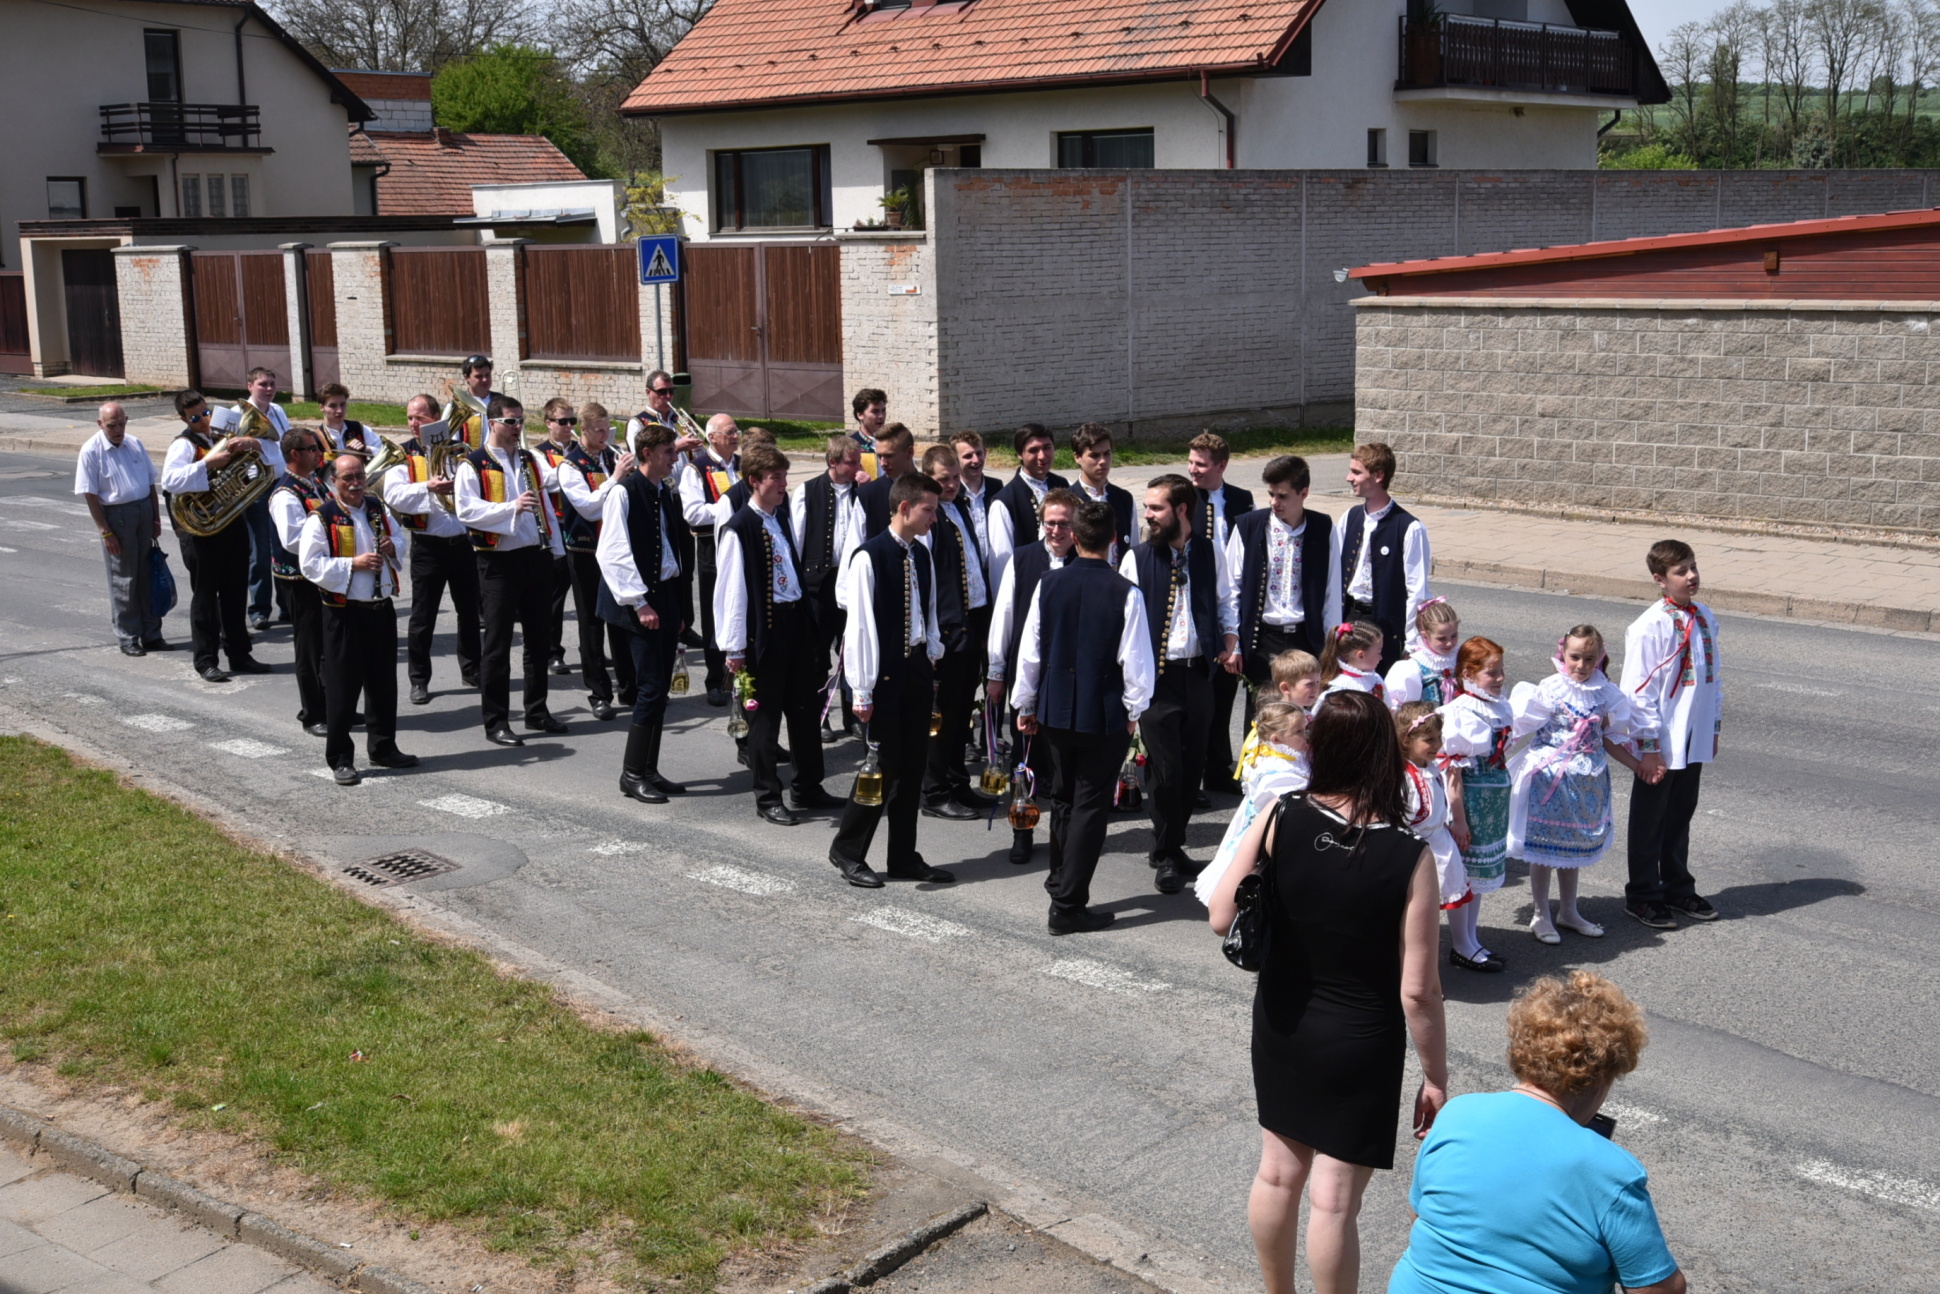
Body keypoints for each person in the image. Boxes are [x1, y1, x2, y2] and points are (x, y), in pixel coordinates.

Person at [1209, 689, 1448, 1294]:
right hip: (1362, 1036)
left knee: (1277, 1176)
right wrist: (1435, 1077)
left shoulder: (1281, 813)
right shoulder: (1409, 855)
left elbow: (1220, 915)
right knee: (1335, 1202)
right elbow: (1419, 991)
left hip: (1283, 1018)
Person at [1388, 972, 1684, 1294]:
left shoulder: (1456, 1114)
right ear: (1605, 1074)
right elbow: (1658, 1290)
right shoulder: (1612, 1173)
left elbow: (1419, 1215)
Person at [1013, 499, 1154, 933]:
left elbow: (1030, 652)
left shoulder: (1049, 583)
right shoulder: (1126, 592)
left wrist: (1026, 703)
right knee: (1090, 805)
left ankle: (1061, 881)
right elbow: (1136, 662)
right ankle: (1068, 904)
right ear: (1114, 539)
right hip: (1103, 713)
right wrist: (1135, 710)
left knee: (1063, 798)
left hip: (1055, 708)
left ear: (1074, 537)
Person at [830, 473, 955, 888]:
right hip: (882, 676)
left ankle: (902, 855)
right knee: (881, 766)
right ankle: (848, 849)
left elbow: (928, 611)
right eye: (929, 510)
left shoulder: (921, 553)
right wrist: (862, 688)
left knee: (913, 766)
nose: (934, 518)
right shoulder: (869, 557)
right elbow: (860, 627)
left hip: (916, 668)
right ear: (905, 507)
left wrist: (932, 652)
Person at [1118, 474, 1240, 895]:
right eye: (1147, 507)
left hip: (1199, 673)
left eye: (1156, 508)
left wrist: (1230, 636)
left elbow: (1225, 599)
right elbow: (1126, 624)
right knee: (1166, 770)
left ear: (1182, 510)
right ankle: (1165, 852)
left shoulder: (1209, 551)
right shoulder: (1137, 558)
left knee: (1191, 769)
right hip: (1159, 679)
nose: (1148, 515)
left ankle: (1173, 846)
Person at [717, 444, 841, 826]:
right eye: (776, 478)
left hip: (795, 626)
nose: (784, 484)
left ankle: (808, 786)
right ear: (755, 481)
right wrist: (735, 648)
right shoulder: (740, 528)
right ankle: (768, 796)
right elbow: (732, 592)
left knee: (804, 711)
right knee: (765, 720)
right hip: (764, 634)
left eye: (785, 476)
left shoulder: (780, 516)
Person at [1510, 625, 1645, 945]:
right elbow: (1519, 726)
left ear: (1599, 658)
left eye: (1589, 659)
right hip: (1549, 779)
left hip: (1587, 780)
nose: (1581, 665)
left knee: (1571, 846)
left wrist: (1637, 765)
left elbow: (1610, 737)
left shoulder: (1605, 692)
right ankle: (1541, 913)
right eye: (1574, 657)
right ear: (1563, 654)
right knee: (1543, 848)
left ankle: (1568, 911)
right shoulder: (1550, 688)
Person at [454, 395, 569, 747]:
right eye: (510, 421)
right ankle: (496, 721)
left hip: (535, 556)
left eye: (520, 421)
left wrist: (556, 549)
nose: (518, 427)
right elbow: (466, 511)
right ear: (493, 423)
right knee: (497, 644)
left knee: (538, 640)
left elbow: (547, 497)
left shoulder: (529, 459)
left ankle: (536, 711)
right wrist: (511, 508)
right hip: (498, 562)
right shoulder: (472, 464)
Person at [297, 451, 416, 786]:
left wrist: (393, 547)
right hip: (344, 613)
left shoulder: (377, 507)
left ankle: (383, 747)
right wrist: (354, 564)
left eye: (360, 476)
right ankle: (340, 758)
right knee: (343, 688)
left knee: (383, 684)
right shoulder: (322, 517)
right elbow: (310, 565)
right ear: (333, 481)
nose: (355, 483)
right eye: (347, 478)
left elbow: (401, 538)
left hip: (380, 608)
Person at [1621, 539, 1723, 930]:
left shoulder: (1704, 616)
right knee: (1650, 818)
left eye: (1693, 567)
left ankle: (1677, 886)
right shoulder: (1649, 627)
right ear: (1659, 579)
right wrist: (1648, 748)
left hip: (1693, 736)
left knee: (1681, 813)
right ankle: (1643, 893)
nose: (1692, 576)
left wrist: (1712, 726)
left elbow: (1713, 678)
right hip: (1661, 739)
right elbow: (1638, 692)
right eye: (1681, 571)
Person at [597, 422, 691, 805]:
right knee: (650, 687)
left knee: (660, 688)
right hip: (639, 600)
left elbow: (670, 549)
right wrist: (641, 602)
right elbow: (612, 552)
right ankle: (632, 774)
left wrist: (678, 608)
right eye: (669, 452)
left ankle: (649, 770)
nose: (675, 458)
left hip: (664, 596)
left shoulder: (663, 491)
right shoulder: (624, 492)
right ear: (648, 453)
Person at [986, 488, 1081, 867]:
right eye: (1050, 523)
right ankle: (1022, 831)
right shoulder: (1024, 558)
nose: (1056, 531)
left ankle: (1063, 836)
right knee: (1024, 759)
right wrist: (996, 672)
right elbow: (1004, 616)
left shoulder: (1086, 561)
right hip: (1027, 675)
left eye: (1064, 524)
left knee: (1064, 761)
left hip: (1069, 679)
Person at [1227, 455, 1337, 765]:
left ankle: (1302, 773)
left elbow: (1331, 593)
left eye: (1283, 496)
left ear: (1304, 493)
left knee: (1304, 711)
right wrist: (1233, 640)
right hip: (1263, 638)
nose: (1275, 502)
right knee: (1262, 712)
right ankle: (1255, 773)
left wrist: (1331, 647)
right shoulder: (1249, 526)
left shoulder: (1323, 527)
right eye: (1271, 494)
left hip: (1304, 636)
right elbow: (1232, 588)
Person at [160, 389, 270, 683]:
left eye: (205, 413)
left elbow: (253, 471)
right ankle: (206, 660)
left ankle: (240, 654)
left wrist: (249, 448)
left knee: (235, 593)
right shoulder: (183, 444)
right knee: (206, 599)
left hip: (230, 523)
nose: (203, 420)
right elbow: (169, 480)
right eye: (195, 418)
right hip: (201, 532)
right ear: (183, 419)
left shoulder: (221, 435)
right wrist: (208, 464)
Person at [381, 393, 482, 705]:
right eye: (410, 418)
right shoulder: (404, 454)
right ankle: (419, 679)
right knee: (423, 618)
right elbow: (394, 496)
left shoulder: (458, 450)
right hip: (428, 547)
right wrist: (428, 486)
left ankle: (472, 669)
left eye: (420, 418)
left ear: (437, 419)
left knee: (469, 612)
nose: (413, 423)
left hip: (463, 544)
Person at [918, 444, 992, 819]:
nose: (950, 485)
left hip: (971, 621)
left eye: (954, 478)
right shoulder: (929, 519)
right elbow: (925, 582)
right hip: (947, 628)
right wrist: (933, 636)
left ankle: (958, 782)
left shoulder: (959, 506)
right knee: (943, 715)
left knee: (962, 709)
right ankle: (934, 791)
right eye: (942, 479)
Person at [1438, 637, 1512, 973]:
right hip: (1471, 805)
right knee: (1464, 875)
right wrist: (1459, 820)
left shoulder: (1497, 706)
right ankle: (1461, 944)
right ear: (1468, 674)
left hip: (1492, 803)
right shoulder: (1460, 713)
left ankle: (1471, 938)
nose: (1499, 678)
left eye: (1500, 671)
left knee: (1478, 877)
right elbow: (1452, 773)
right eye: (1491, 672)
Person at [558, 402, 637, 720]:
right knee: (592, 622)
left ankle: (629, 687)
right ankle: (599, 693)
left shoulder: (610, 456)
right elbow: (589, 508)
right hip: (586, 551)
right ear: (584, 430)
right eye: (600, 431)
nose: (606, 436)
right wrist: (616, 478)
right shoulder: (569, 466)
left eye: (608, 430)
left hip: (615, 550)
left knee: (622, 618)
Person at [1188, 431, 1254, 795]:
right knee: (1199, 696)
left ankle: (1217, 766)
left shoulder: (1241, 499)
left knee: (1225, 692)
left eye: (1200, 464)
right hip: (1199, 603)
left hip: (1233, 604)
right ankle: (1193, 772)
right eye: (1191, 462)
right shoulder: (1186, 498)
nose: (1192, 469)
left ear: (1221, 466)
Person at [1395, 701, 1484, 967]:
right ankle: (1415, 966)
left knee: (1451, 896)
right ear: (1406, 740)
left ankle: (1463, 945)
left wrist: (1445, 826)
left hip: (1439, 843)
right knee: (1419, 911)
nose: (1437, 744)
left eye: (1438, 737)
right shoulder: (1402, 777)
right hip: (1416, 849)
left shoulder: (1431, 767)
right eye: (1429, 739)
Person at [75, 400, 167, 656]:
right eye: (111, 425)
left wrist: (156, 519)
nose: (118, 430)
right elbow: (90, 495)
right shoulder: (91, 451)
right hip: (117, 516)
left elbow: (150, 484)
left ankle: (152, 634)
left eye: (121, 424)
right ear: (100, 424)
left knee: (148, 575)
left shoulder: (135, 443)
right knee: (125, 579)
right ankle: (128, 637)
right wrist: (105, 531)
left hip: (143, 511)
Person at [1195, 700, 1308, 907]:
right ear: (1276, 738)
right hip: (1271, 832)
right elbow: (1295, 805)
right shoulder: (1279, 773)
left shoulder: (1278, 751)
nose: (1306, 735)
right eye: (1299, 731)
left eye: (1305, 728)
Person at [1333, 442, 1432, 672]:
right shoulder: (1350, 517)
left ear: (1378, 476)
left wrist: (1411, 643)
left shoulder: (1409, 528)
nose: (1349, 478)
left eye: (1356, 472)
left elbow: (1417, 592)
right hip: (1350, 618)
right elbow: (1335, 575)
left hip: (1384, 626)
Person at [791, 437, 866, 739]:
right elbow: (797, 541)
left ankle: (854, 716)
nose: (858, 467)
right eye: (851, 462)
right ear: (833, 462)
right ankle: (820, 716)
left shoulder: (864, 491)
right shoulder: (808, 491)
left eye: (859, 461)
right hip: (819, 584)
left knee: (852, 651)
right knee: (817, 654)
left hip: (854, 581)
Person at [268, 428, 333, 735]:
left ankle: (332, 705)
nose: (319, 453)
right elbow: (293, 540)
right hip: (298, 579)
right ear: (295, 454)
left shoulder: (315, 482)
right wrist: (330, 537)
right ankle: (312, 714)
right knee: (309, 648)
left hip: (319, 575)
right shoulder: (285, 494)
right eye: (312, 449)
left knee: (327, 646)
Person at [678, 413, 742, 706]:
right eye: (729, 432)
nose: (735, 436)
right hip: (711, 547)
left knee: (741, 610)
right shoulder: (697, 468)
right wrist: (729, 508)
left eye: (736, 431)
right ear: (712, 437)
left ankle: (740, 676)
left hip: (742, 543)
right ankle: (715, 680)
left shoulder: (742, 465)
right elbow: (693, 513)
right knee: (715, 614)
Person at [233, 367, 291, 631]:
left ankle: (286, 606)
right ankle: (259, 609)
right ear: (250, 386)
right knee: (260, 551)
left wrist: (258, 444)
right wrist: (259, 445)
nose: (268, 389)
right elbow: (232, 449)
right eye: (262, 384)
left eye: (272, 384)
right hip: (256, 488)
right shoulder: (236, 414)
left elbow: (286, 445)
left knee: (283, 546)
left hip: (281, 483)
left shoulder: (277, 410)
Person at [533, 398, 581, 678]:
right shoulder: (538, 453)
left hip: (584, 526)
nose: (568, 426)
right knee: (555, 596)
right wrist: (574, 466)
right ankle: (552, 652)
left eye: (572, 421)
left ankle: (592, 650)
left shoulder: (580, 448)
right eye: (562, 421)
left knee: (587, 593)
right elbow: (547, 481)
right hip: (558, 525)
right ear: (548, 423)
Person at [988, 423, 1069, 589]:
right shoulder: (1005, 502)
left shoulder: (1064, 485)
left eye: (1047, 447)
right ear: (1020, 454)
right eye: (1033, 450)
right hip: (1028, 586)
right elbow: (1001, 564)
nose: (1042, 456)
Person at [1067, 423, 1135, 559]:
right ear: (1077, 457)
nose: (1103, 461)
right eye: (1094, 455)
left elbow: (1133, 551)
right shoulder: (1066, 501)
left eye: (1107, 454)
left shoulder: (1124, 499)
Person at [1385, 597, 1462, 709]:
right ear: (1425, 636)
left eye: (1454, 636)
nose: (1449, 643)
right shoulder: (1412, 668)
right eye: (1442, 639)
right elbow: (1402, 709)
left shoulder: (1462, 658)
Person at [856, 423, 916, 537]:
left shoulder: (931, 489)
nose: (882, 463)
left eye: (889, 456)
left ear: (909, 452)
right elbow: (854, 544)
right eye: (879, 456)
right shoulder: (867, 496)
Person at [951, 430, 998, 566]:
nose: (976, 460)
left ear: (985, 452)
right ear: (955, 459)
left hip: (995, 569)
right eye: (968, 456)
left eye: (979, 453)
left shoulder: (996, 488)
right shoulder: (952, 495)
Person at [440, 354, 504, 446]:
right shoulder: (455, 406)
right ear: (467, 377)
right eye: (479, 376)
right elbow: (448, 441)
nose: (485, 379)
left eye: (487, 375)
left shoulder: (502, 402)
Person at [1320, 621, 1387, 701]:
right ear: (1360, 655)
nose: (1381, 657)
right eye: (1378, 652)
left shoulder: (1375, 679)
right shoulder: (1336, 692)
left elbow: (1388, 706)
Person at [315, 383, 372, 455]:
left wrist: (366, 449)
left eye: (342, 404)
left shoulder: (359, 428)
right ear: (321, 407)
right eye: (333, 406)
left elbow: (381, 450)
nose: (339, 410)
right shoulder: (315, 439)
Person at [849, 386, 888, 460]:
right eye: (875, 411)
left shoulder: (893, 442)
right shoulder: (849, 445)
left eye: (883, 410)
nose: (881, 416)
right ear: (860, 415)